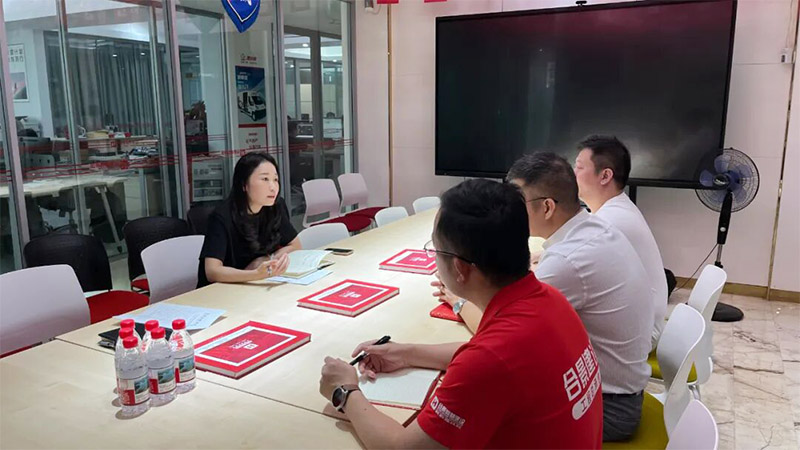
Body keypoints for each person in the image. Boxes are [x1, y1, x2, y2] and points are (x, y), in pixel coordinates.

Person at [318, 179, 603, 449]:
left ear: (460, 268)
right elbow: (490, 357)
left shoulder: (491, 359)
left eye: (436, 250)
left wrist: (345, 391)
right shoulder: (550, 300)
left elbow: (401, 447)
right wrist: (405, 353)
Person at [435, 154, 652, 442]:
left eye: (516, 201)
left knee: (477, 418)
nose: (507, 210)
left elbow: (498, 334)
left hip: (610, 406)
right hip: (621, 387)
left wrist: (459, 301)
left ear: (547, 207)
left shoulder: (566, 262)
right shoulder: (592, 229)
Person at [574, 135, 668, 348]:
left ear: (605, 176)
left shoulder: (611, 221)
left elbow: (572, 270)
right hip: (642, 321)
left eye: (579, 167)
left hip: (640, 334)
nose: (573, 174)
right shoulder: (616, 208)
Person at [197, 152, 301, 287]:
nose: (273, 187)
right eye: (265, 179)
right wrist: (256, 274)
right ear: (244, 184)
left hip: (257, 283)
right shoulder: (221, 217)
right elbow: (212, 272)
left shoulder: (276, 206)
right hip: (222, 289)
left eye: (275, 179)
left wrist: (268, 259)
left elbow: (295, 245)